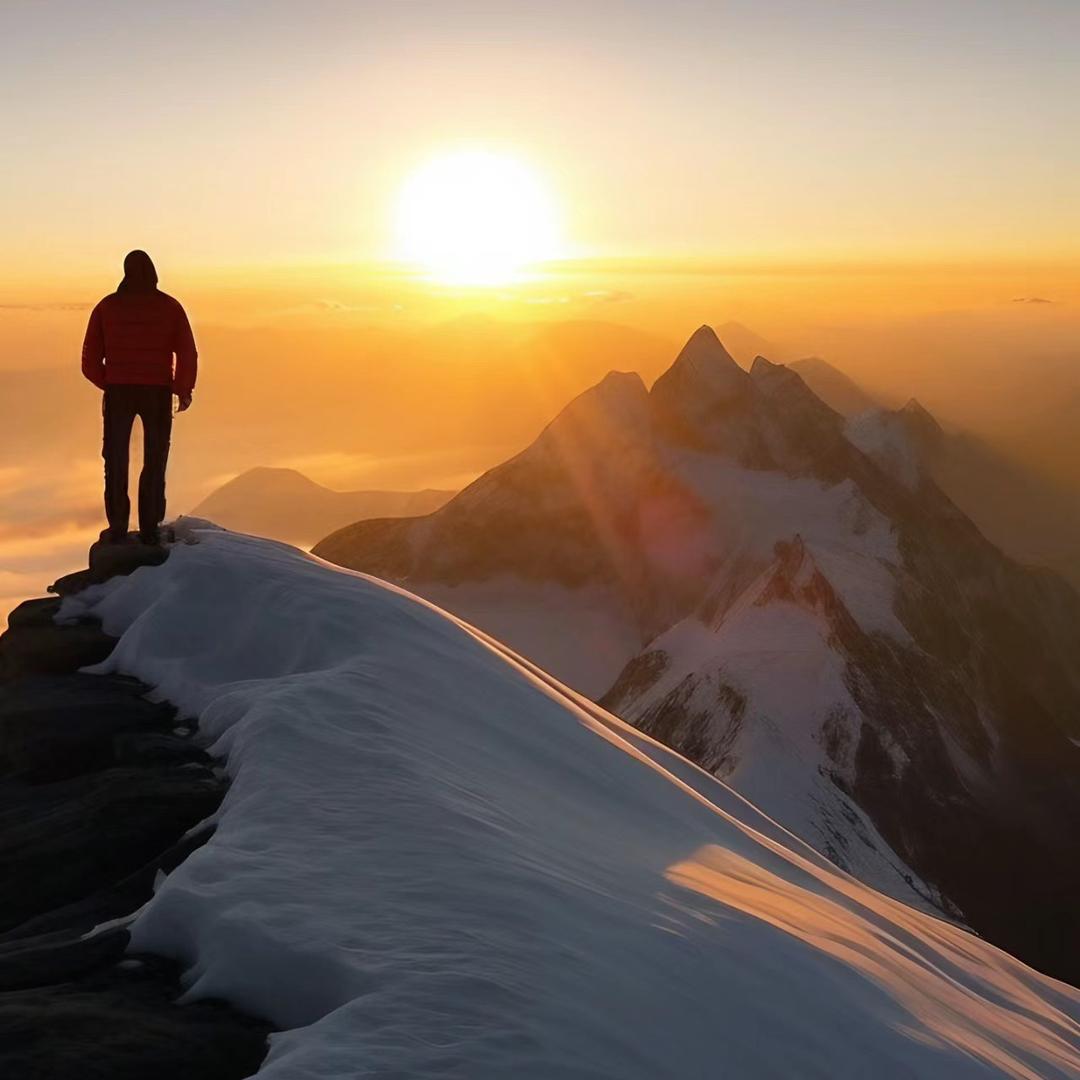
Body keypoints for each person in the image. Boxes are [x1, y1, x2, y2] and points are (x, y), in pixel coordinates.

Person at [81, 250, 198, 545]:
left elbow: (89, 359)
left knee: (116, 458)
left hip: (119, 391)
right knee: (155, 459)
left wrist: (110, 383)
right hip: (158, 392)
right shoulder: (170, 307)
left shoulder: (107, 307)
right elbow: (187, 353)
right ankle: (149, 527)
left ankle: (117, 526)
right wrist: (182, 390)